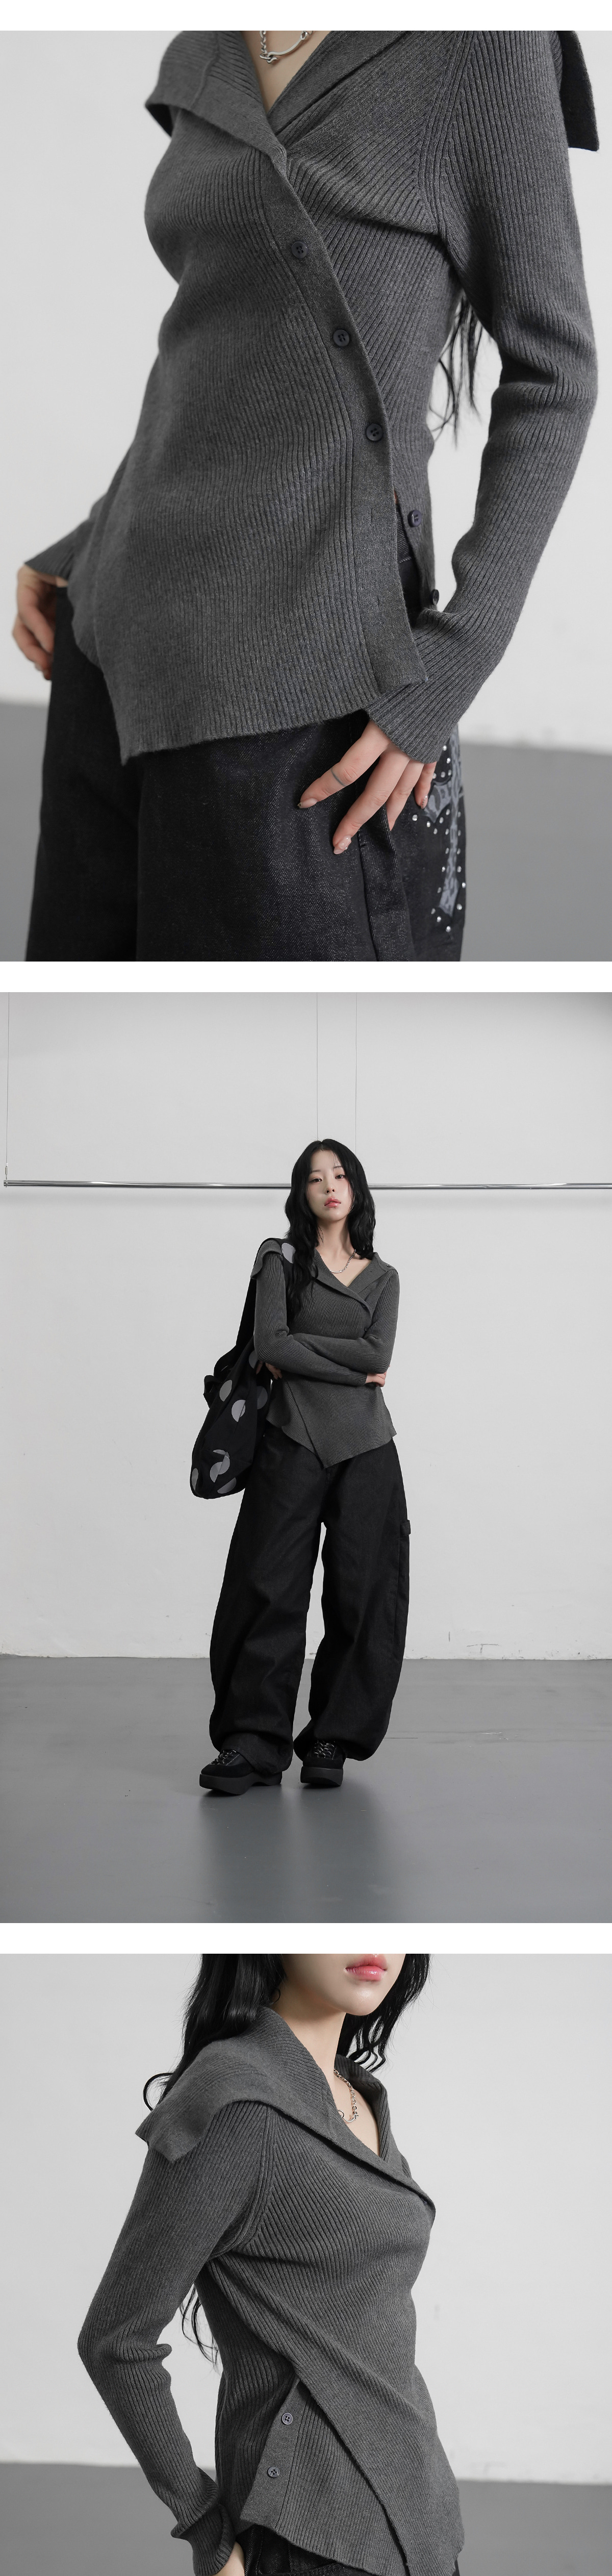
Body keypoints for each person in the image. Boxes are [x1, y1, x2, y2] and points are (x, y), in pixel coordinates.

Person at [14, 30, 597, 962]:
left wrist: (458, 658)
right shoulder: (208, 46)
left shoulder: (477, 46)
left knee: (310, 1028)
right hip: (111, 649)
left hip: (305, 691)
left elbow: (556, 369)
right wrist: (91, 540)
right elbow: (224, 352)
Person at [78, 1951, 466, 2576]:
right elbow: (117, 2338)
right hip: (317, 2560)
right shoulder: (238, 2105)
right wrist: (206, 2529)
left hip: (426, 2551)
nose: (372, 1942)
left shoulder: (357, 2100)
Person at [199, 1138, 408, 1795]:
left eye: (340, 1175)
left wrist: (300, 1349)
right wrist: (347, 1366)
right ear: (301, 1194)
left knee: (364, 1592)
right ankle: (251, 1742)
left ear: (357, 1188)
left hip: (368, 1446)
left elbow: (379, 1354)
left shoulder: (383, 1277)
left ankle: (331, 1738)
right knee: (267, 1586)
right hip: (290, 1437)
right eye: (316, 1179)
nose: (330, 1187)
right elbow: (270, 1344)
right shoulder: (280, 1260)